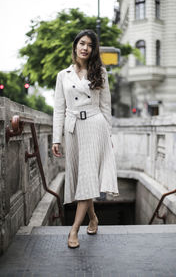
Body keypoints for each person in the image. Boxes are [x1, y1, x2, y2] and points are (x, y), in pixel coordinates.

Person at [52, 29, 119, 248]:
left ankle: (73, 231)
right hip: (73, 130)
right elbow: (58, 109)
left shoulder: (100, 71)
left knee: (88, 176)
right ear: (75, 46)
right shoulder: (63, 75)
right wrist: (56, 139)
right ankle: (93, 218)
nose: (85, 48)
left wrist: (108, 136)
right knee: (82, 177)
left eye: (90, 45)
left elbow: (106, 106)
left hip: (94, 125)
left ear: (93, 50)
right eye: (82, 43)